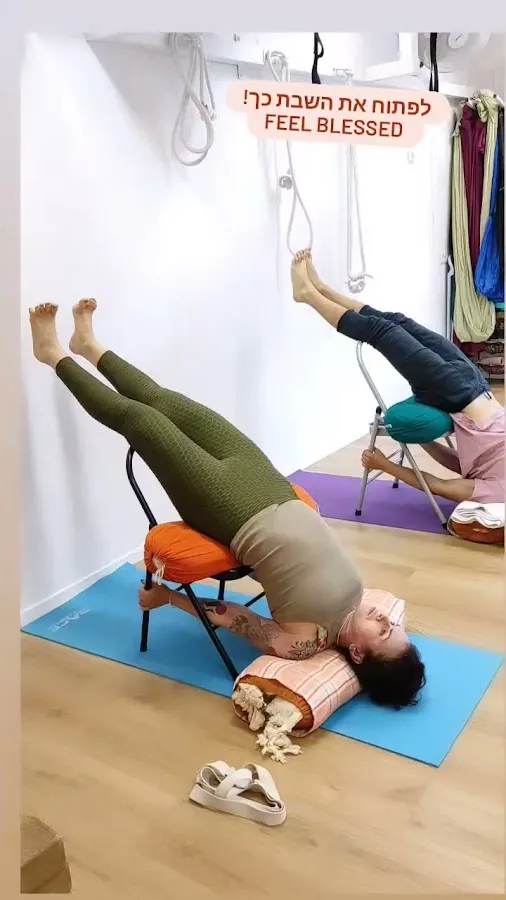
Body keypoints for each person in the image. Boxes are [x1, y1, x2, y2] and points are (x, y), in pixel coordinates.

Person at [29, 300, 425, 709]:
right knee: (165, 400)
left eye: (383, 632)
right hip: (268, 482)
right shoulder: (359, 597)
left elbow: (228, 615)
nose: (384, 618)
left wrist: (168, 598)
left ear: (357, 654)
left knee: (142, 421)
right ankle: (89, 346)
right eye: (393, 624)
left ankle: (53, 354)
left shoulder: (303, 643)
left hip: (230, 509)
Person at [291, 249, 504, 507]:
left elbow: (441, 486)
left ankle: (307, 295)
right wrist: (424, 443)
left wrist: (386, 465)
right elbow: (463, 463)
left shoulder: (498, 494)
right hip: (477, 383)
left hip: (455, 394)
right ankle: (322, 288)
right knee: (398, 321)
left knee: (383, 331)